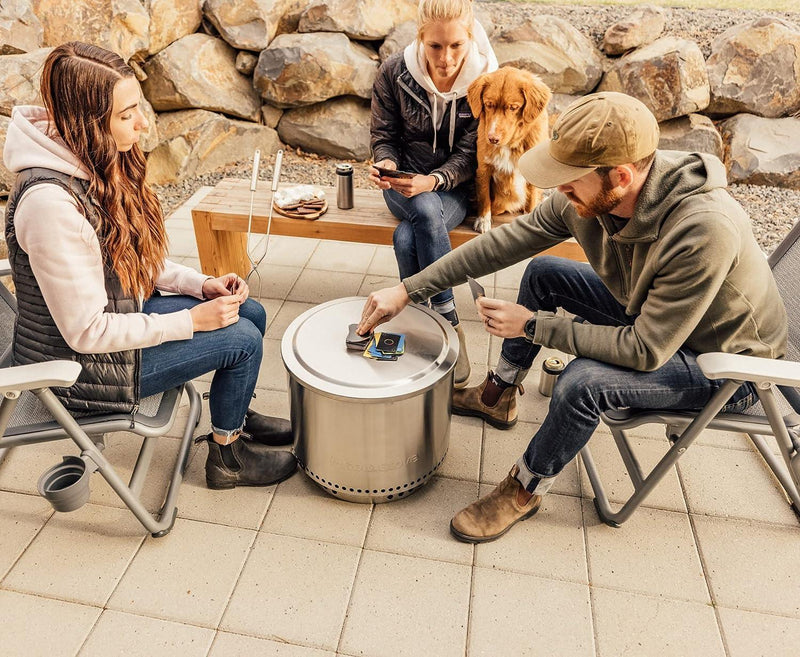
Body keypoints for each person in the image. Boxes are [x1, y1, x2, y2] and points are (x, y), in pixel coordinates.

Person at [359, 91, 787, 543]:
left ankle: (525, 488)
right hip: (655, 315)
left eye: (568, 181)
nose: (558, 190)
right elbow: (508, 242)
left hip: (722, 365)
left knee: (582, 383)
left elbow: (644, 350)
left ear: (620, 176)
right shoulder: (595, 191)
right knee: (544, 272)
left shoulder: (704, 229)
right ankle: (498, 396)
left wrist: (532, 326)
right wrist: (408, 289)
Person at [3, 42, 297, 490]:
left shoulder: (89, 158)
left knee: (249, 313)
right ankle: (227, 458)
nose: (142, 124)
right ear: (87, 123)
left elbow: (128, 254)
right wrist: (190, 320)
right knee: (242, 339)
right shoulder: (49, 205)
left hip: (109, 336)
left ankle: (233, 410)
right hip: (80, 372)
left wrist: (201, 286)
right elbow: (87, 333)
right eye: (126, 115)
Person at [369, 0, 497, 388]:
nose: (446, 58)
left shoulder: (484, 82)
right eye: (435, 47)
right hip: (401, 185)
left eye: (456, 46)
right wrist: (387, 164)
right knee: (422, 207)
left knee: (408, 232)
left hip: (454, 189)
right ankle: (449, 321)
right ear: (420, 38)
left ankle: (423, 320)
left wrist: (435, 180)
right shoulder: (393, 72)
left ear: (470, 38)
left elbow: (471, 156)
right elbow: (384, 137)